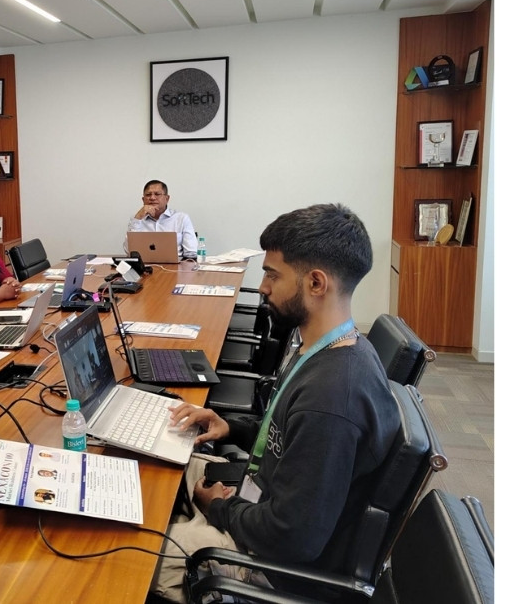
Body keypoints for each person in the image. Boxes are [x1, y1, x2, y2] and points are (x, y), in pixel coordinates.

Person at [151, 203, 400, 602]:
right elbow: (289, 436)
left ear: (316, 283)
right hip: (260, 498)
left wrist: (218, 509)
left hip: (267, 565)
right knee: (155, 461)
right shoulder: (331, 347)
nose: (263, 287)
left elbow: (292, 536)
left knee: (127, 549)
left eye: (272, 274)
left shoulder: (332, 399)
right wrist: (231, 427)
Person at [125, 179, 198, 261]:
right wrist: (137, 218)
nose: (152, 198)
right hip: (144, 265)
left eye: (157, 194)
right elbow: (128, 251)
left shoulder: (181, 218)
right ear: (143, 199)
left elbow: (191, 253)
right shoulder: (137, 219)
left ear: (167, 198)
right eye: (148, 195)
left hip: (175, 265)